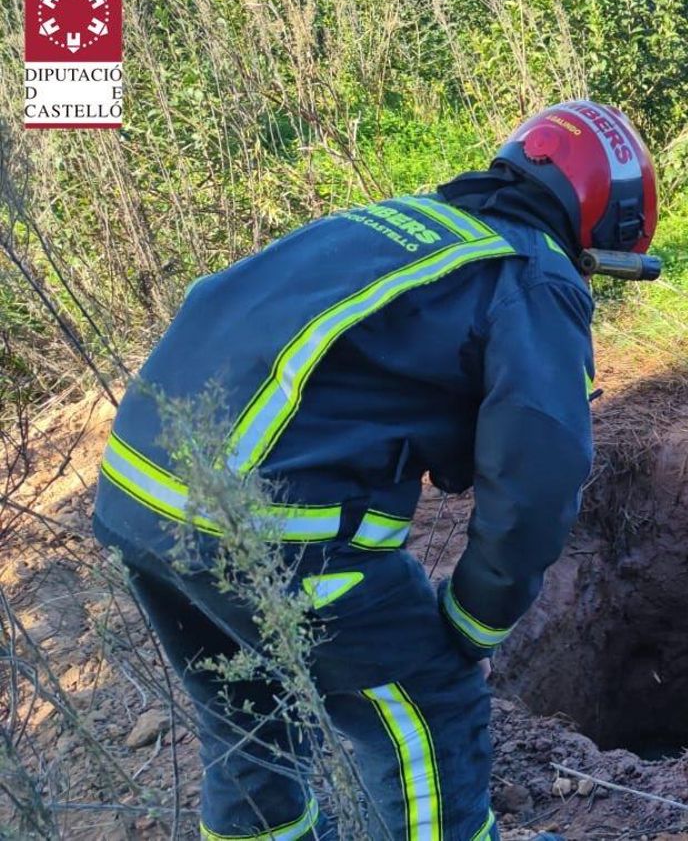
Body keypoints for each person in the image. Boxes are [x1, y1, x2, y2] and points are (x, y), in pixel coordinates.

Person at [91, 100, 658, 841]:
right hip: (265, 528)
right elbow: (538, 476)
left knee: (250, 722)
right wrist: (472, 623)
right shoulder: (534, 273)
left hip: (136, 494)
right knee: (432, 700)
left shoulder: (396, 226)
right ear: (605, 227)